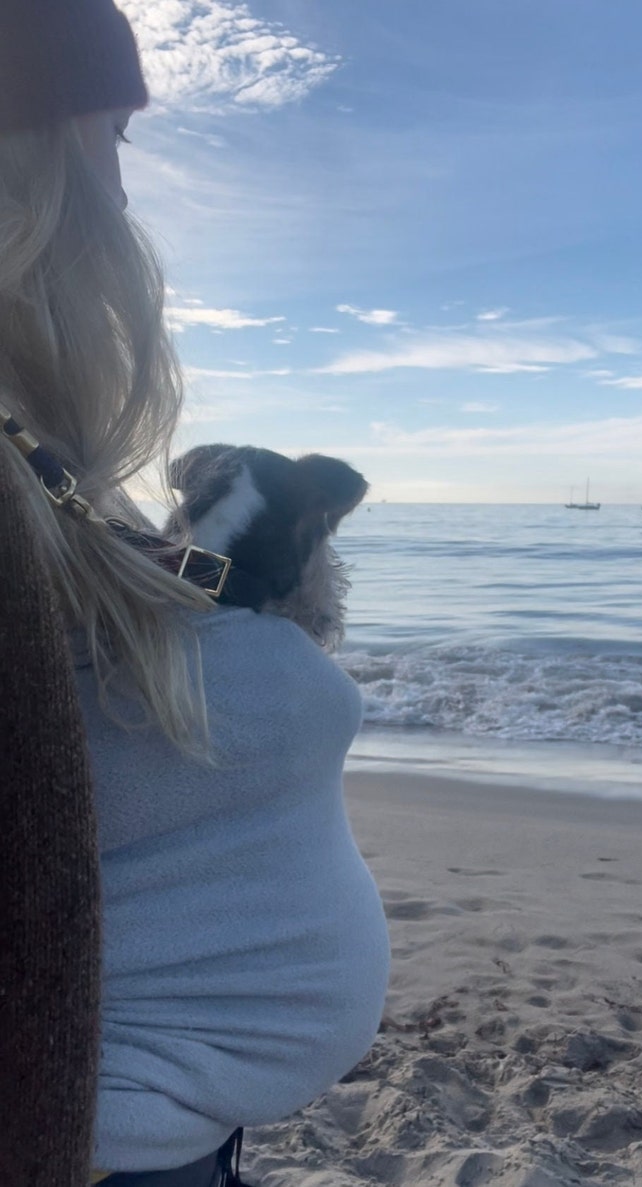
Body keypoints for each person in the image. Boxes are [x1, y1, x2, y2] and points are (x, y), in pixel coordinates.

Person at [0, 3, 391, 1185]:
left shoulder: (33, 464)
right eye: (111, 139)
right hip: (89, 1138)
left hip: (129, 1116)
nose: (120, 197)